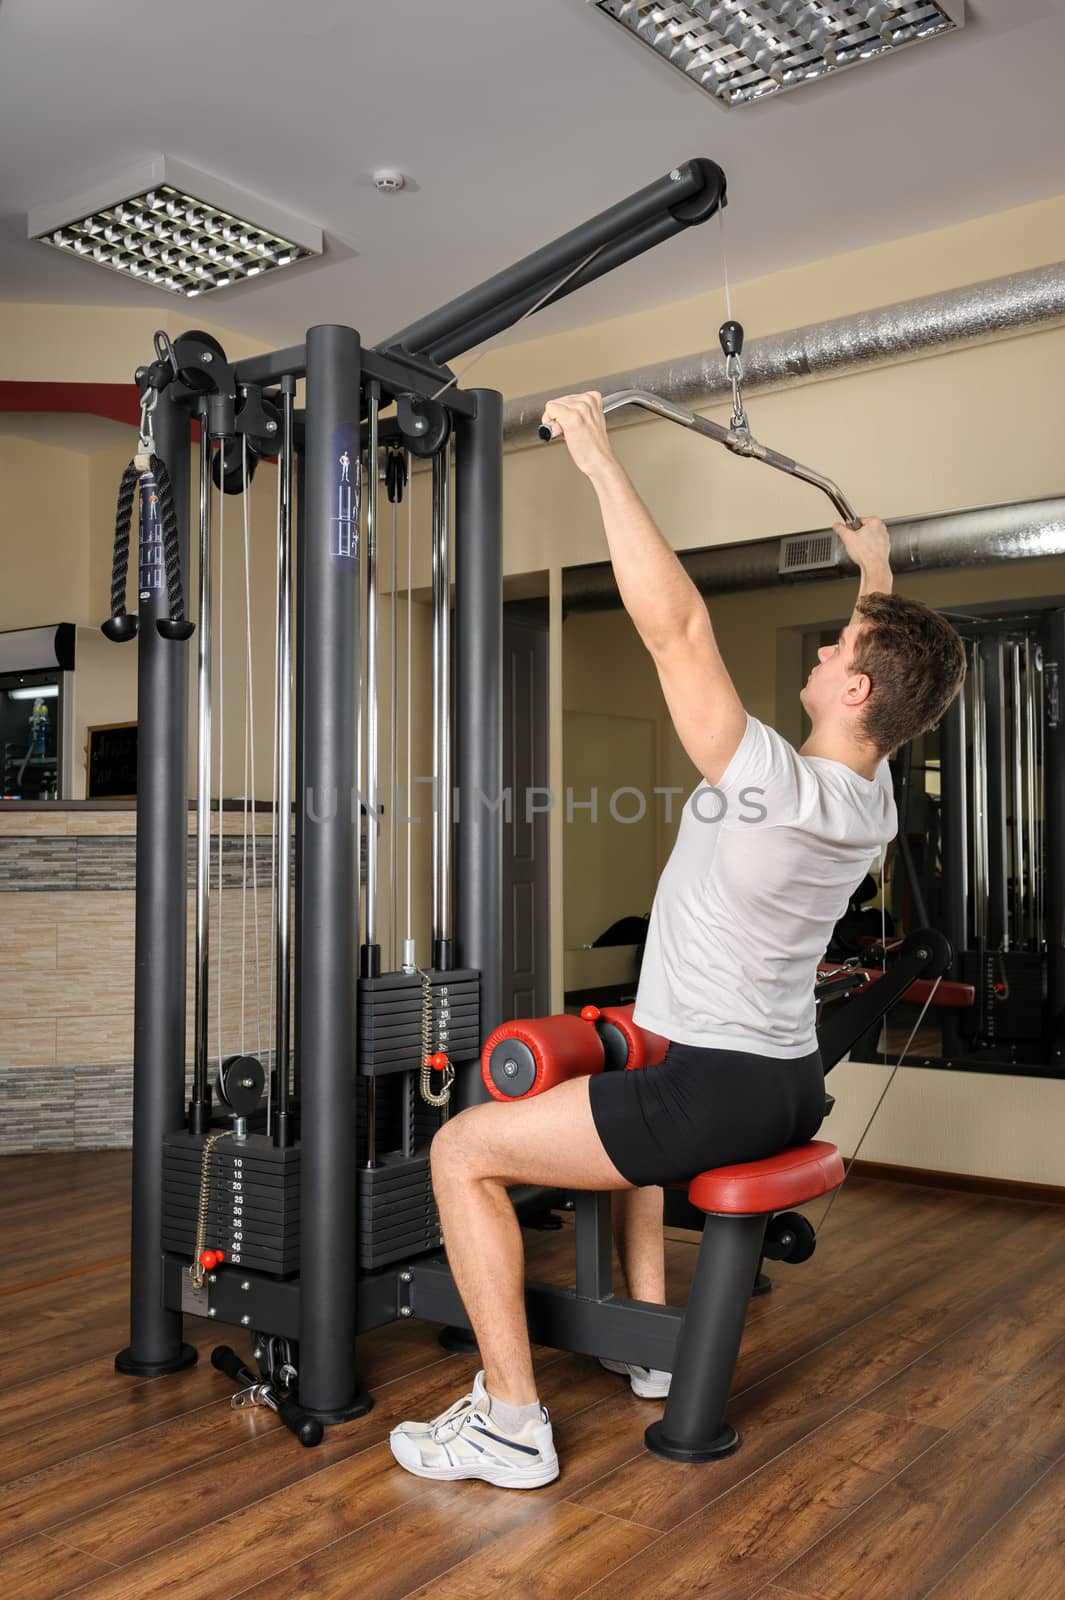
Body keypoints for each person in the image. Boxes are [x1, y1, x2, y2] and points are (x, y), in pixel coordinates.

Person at [389, 390, 967, 1489]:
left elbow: (678, 628)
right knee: (628, 1115)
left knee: (462, 1149)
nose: (832, 644)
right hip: (781, 1076)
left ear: (851, 687)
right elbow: (888, 674)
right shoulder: (870, 790)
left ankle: (510, 1420)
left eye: (840, 641)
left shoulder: (774, 782)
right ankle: (649, 1349)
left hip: (716, 1086)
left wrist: (601, 460)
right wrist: (874, 568)